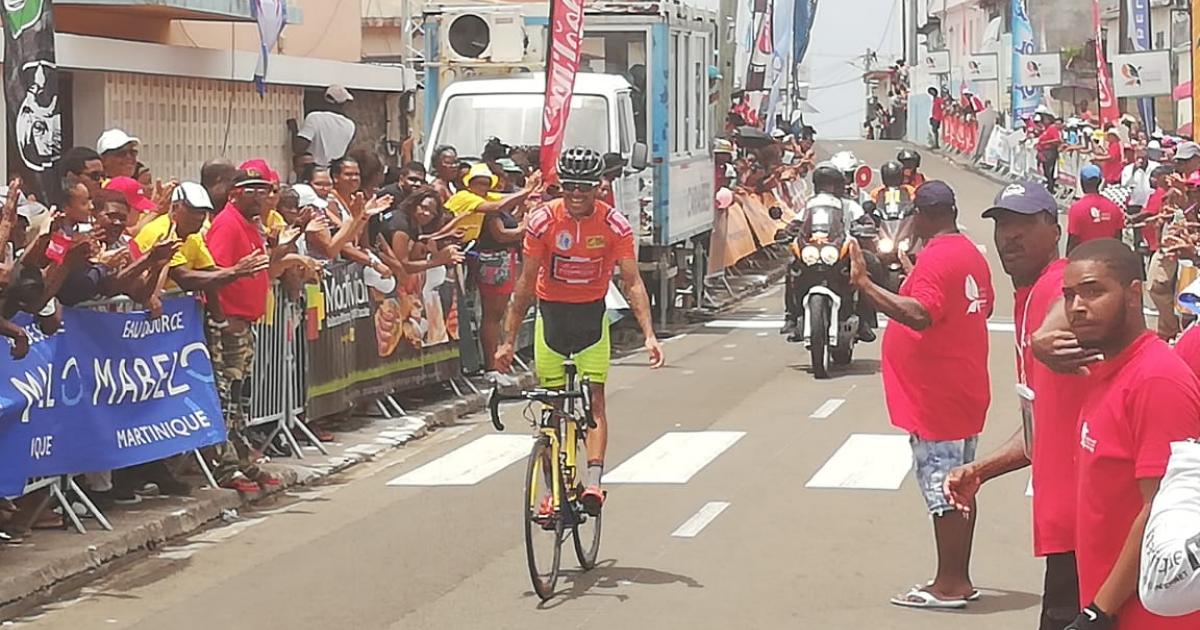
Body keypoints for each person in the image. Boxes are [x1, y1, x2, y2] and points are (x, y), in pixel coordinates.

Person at [943, 182, 1086, 629]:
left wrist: (1052, 331)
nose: (1010, 236)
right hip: (1063, 525)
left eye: (1024, 223)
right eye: (1003, 224)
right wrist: (979, 471)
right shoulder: (1026, 298)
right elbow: (1037, 425)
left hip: (1090, 522)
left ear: (1055, 230)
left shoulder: (1059, 286)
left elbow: (1081, 287)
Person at [1039, 239, 1200, 629]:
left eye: (1094, 291)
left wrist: (1101, 610)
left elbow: (1161, 508)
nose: (1077, 307)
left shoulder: (1155, 379)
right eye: (1069, 295)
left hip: (1145, 615)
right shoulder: (1105, 370)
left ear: (1133, 294)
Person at [494, 147, 665, 516]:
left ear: (598, 188)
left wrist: (649, 334)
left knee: (595, 401)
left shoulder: (614, 225)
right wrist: (507, 342)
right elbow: (524, 284)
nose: (575, 194)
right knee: (550, 410)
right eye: (569, 185)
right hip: (552, 316)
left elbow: (632, 282)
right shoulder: (543, 222)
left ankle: (593, 482)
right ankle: (553, 490)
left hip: (591, 319)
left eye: (584, 187)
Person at [848, 180, 994, 609]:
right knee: (961, 485)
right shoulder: (967, 253)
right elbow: (973, 306)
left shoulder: (937, 260)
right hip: (962, 389)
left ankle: (950, 584)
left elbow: (921, 315)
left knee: (944, 489)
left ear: (922, 215)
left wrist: (865, 286)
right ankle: (958, 577)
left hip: (938, 397)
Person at [203, 170, 285, 494]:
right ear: (234, 193)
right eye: (252, 191)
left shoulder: (252, 225)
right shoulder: (227, 224)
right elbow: (215, 274)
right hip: (228, 326)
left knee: (241, 401)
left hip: (246, 324)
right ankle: (226, 467)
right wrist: (222, 320)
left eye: (264, 191)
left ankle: (242, 459)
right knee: (225, 398)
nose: (260, 197)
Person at [293, 85, 356, 167]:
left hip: (313, 172)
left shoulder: (314, 118)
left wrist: (294, 129)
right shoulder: (350, 125)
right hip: (334, 172)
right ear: (344, 103)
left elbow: (298, 148)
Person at [1067, 166, 1124, 253]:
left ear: (1081, 182)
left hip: (1085, 259)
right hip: (1107, 258)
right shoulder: (1114, 208)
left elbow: (1073, 240)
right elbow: (1118, 239)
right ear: (1100, 182)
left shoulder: (1076, 209)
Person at [1036, 115, 1063, 194]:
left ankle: (1051, 187)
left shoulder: (1055, 129)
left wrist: (1045, 142)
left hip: (1050, 151)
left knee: (1049, 170)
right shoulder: (1049, 128)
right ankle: (1049, 185)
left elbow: (1057, 140)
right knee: (1045, 169)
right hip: (1043, 150)